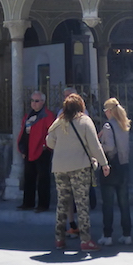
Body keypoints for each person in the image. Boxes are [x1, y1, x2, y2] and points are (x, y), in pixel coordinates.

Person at [46, 92, 109, 253]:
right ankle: (85, 240)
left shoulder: (59, 122)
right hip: (80, 167)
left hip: (60, 168)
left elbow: (49, 142)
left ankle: (59, 239)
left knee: (62, 203)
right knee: (81, 203)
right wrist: (104, 164)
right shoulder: (85, 121)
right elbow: (95, 145)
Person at [97, 97, 132, 246]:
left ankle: (107, 235)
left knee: (108, 203)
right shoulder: (124, 125)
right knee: (124, 203)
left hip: (111, 167)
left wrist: (99, 146)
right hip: (124, 166)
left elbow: (110, 147)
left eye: (106, 110)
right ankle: (127, 234)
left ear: (110, 111)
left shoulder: (108, 126)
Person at [16, 90, 55, 212]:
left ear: (43, 102)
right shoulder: (28, 115)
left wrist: (45, 145)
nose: (34, 103)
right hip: (29, 150)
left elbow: (52, 133)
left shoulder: (48, 115)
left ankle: (43, 205)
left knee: (43, 179)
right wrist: (22, 148)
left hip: (42, 151)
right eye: (32, 100)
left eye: (36, 101)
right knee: (29, 177)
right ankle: (28, 203)